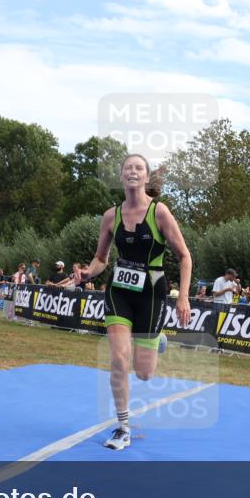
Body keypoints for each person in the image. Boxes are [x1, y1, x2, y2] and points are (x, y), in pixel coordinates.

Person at [81, 154, 192, 451]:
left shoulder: (159, 213)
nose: (133, 171)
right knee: (118, 359)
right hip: (119, 291)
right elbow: (101, 260)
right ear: (121, 176)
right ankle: (123, 427)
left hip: (152, 294)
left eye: (138, 168)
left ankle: (157, 340)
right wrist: (85, 273)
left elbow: (184, 256)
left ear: (145, 177)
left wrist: (182, 296)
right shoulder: (110, 216)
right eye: (128, 167)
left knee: (144, 373)